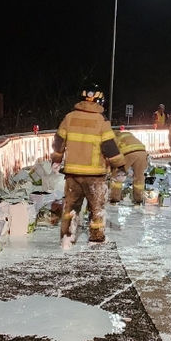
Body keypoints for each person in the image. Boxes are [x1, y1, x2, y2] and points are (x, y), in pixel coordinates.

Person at [52, 87, 125, 246]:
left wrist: (56, 160)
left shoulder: (69, 118)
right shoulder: (101, 121)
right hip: (94, 174)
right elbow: (110, 147)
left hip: (72, 173)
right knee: (96, 207)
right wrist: (119, 167)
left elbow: (59, 141)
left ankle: (67, 236)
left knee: (71, 205)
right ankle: (96, 238)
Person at [110, 127, 149, 205]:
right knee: (139, 177)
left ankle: (114, 199)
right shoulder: (127, 134)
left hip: (127, 153)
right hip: (142, 152)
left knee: (118, 175)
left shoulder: (112, 139)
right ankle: (138, 200)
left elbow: (113, 156)